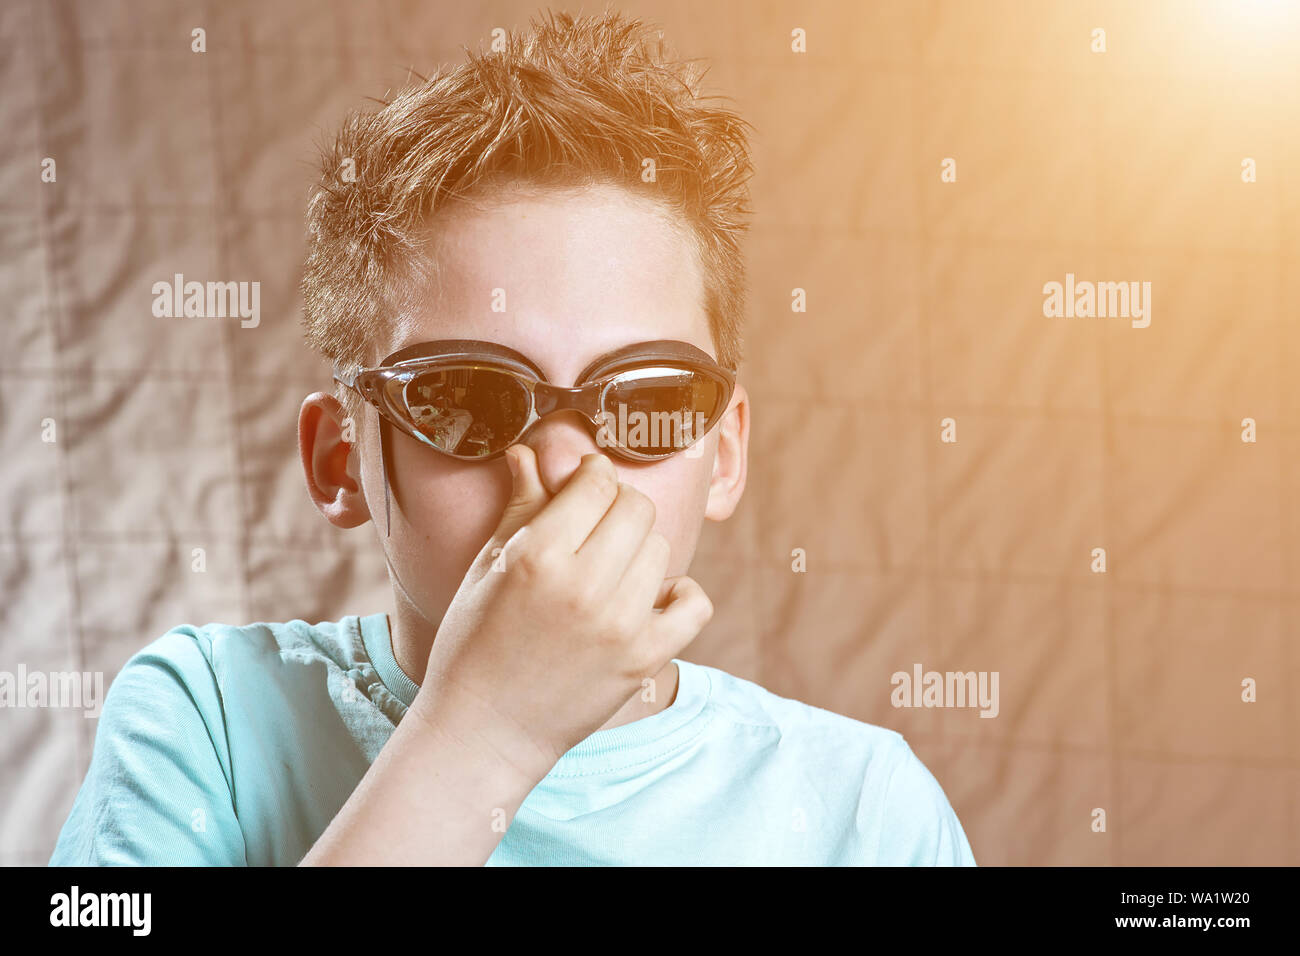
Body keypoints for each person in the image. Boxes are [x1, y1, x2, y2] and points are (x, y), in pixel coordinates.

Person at [49, 9, 975, 866]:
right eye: (468, 400)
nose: (570, 468)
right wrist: (484, 731)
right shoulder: (204, 722)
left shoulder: (866, 808)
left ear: (724, 454)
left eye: (645, 398)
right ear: (342, 460)